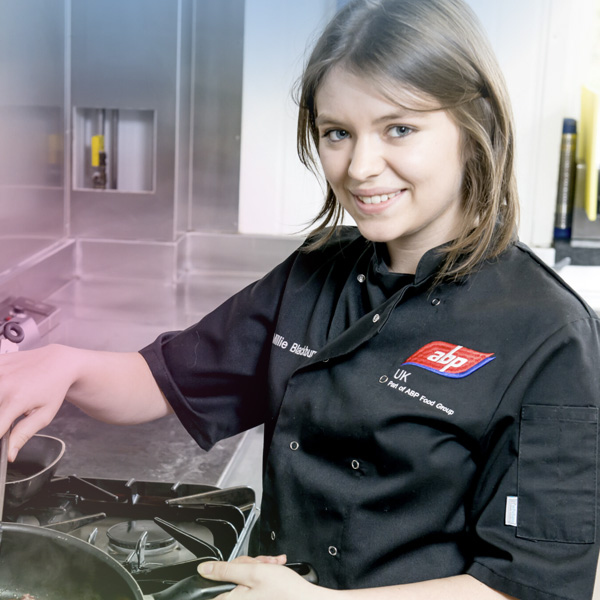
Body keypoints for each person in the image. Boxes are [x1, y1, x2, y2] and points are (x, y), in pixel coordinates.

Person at [1, 0, 599, 598]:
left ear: (477, 125)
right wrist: (68, 365)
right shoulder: (316, 271)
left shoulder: (548, 333)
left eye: (400, 128)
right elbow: (163, 381)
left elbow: (531, 586)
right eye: (338, 133)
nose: (361, 167)